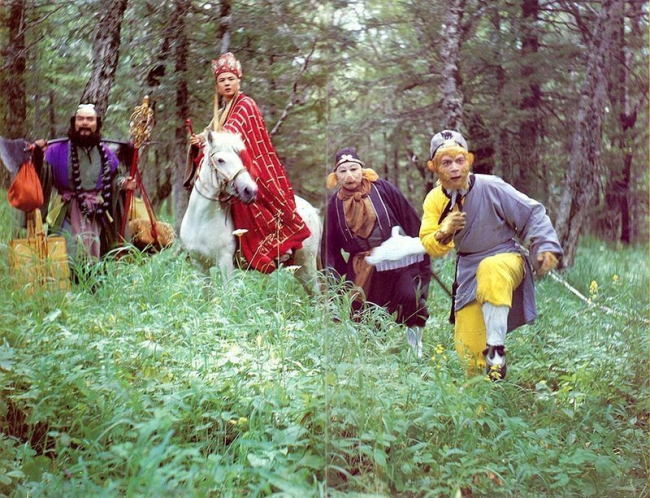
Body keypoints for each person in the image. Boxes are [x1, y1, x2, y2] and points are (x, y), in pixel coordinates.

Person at [419, 130, 563, 379]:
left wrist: (545, 246)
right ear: (433, 167)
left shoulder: (491, 186)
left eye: (459, 160)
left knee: (491, 268)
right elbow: (429, 244)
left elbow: (531, 213)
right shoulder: (434, 200)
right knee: (470, 355)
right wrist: (444, 232)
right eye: (446, 162)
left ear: (469, 160)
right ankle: (486, 397)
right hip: (468, 272)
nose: (455, 168)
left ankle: (496, 349)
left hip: (505, 258)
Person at [185, 52, 311, 274]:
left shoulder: (246, 104)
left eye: (230, 79)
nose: (227, 83)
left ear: (238, 80)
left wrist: (210, 139)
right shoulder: (221, 111)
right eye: (222, 80)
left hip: (248, 165)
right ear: (217, 86)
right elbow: (211, 132)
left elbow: (233, 131)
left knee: (252, 197)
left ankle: (277, 248)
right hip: (226, 166)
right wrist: (200, 139)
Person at [325, 147, 431, 357]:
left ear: (362, 170)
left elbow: (409, 218)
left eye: (353, 169)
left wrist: (423, 248)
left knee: (410, 297)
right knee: (367, 315)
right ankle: (375, 357)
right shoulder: (334, 205)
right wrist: (336, 285)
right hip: (364, 266)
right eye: (343, 171)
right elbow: (329, 248)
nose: (349, 175)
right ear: (336, 176)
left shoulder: (383, 189)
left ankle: (415, 349)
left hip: (397, 259)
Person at [39, 104, 135, 261]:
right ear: (74, 123)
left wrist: (123, 183)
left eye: (90, 119)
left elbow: (114, 178)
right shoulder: (56, 150)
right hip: (65, 211)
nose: (84, 123)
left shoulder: (106, 153)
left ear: (97, 124)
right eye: (80, 119)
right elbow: (41, 175)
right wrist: (37, 155)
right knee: (65, 256)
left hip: (96, 214)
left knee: (97, 257)